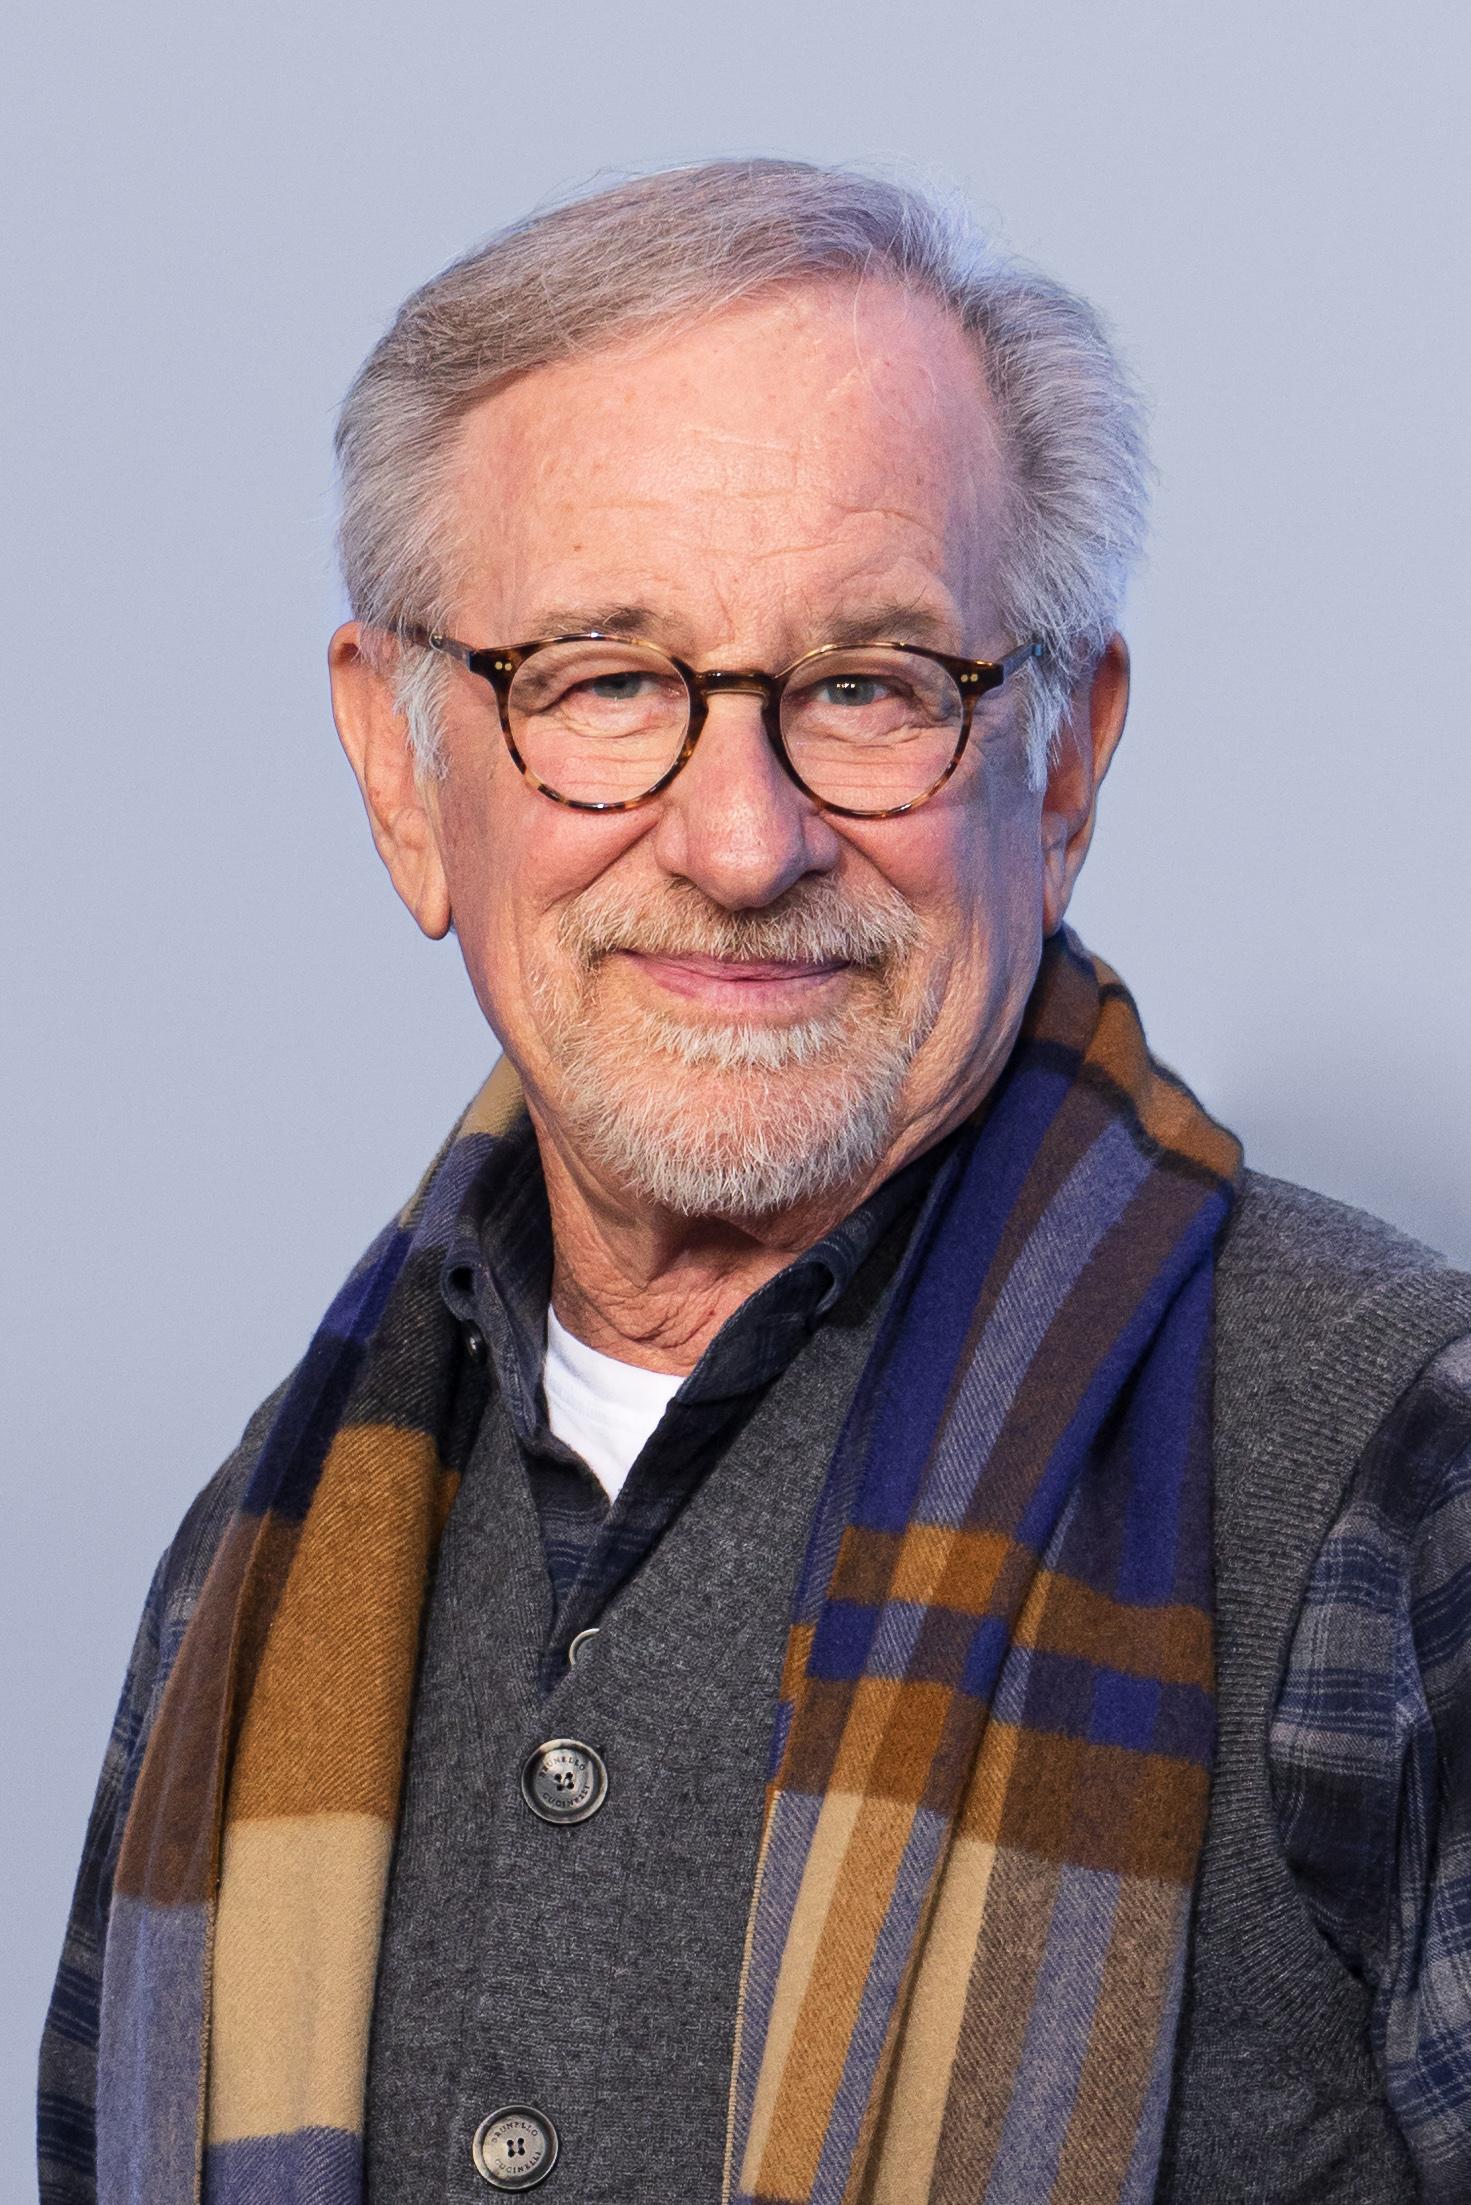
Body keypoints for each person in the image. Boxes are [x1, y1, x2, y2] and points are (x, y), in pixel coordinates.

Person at [38, 158, 1471, 2205]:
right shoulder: (248, 1579)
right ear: (402, 772)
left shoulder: (1403, 1473)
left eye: (869, 686)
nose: (738, 839)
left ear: (1062, 763)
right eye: (605, 680)